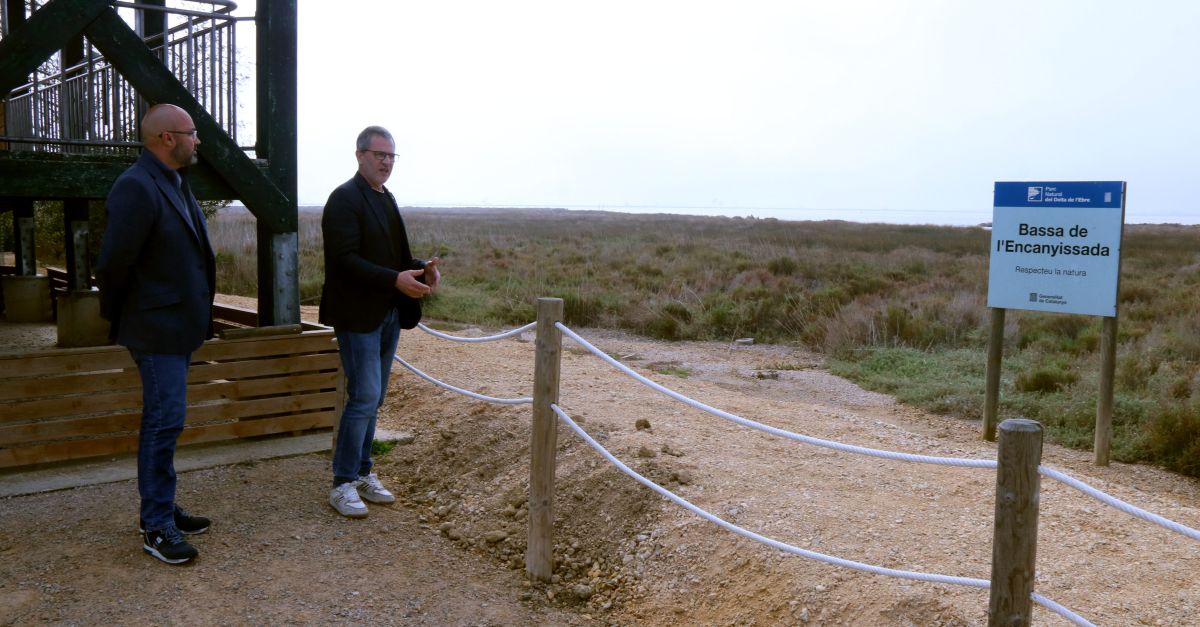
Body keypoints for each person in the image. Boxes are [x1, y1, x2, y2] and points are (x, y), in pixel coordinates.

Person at [96, 103, 215, 564]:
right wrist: (129, 319)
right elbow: (112, 265)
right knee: (163, 421)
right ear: (167, 138)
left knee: (168, 421)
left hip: (176, 328)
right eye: (192, 132)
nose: (197, 140)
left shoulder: (174, 181)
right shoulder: (135, 186)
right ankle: (156, 526)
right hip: (154, 328)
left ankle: (162, 504)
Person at [320, 125, 440, 518]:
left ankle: (363, 472)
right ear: (360, 156)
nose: (386, 163)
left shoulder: (385, 198)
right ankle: (342, 482)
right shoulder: (343, 199)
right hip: (357, 315)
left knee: (375, 399)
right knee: (365, 396)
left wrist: (420, 271)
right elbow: (344, 260)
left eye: (391, 156)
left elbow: (392, 256)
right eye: (379, 155)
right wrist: (394, 279)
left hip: (388, 313)